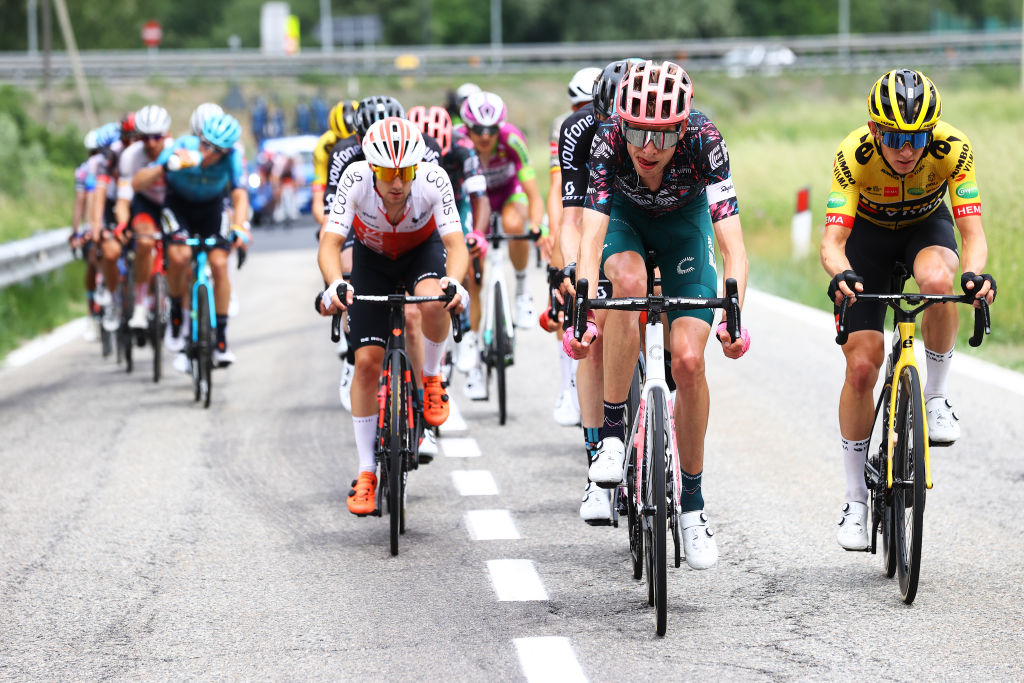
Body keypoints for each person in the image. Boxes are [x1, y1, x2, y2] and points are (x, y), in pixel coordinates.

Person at [567, 60, 750, 569]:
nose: (648, 148)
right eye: (637, 133)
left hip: (682, 230)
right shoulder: (606, 143)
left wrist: (735, 315)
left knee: (689, 361)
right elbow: (591, 236)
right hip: (625, 223)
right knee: (626, 284)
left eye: (663, 136)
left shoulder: (705, 140)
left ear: (682, 129)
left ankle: (692, 507)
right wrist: (582, 309)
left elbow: (733, 246)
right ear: (620, 123)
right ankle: (608, 435)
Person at [820, 68, 996, 551]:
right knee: (861, 366)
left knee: (939, 283)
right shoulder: (852, 154)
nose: (907, 150)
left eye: (917, 137)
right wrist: (841, 274)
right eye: (895, 137)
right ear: (876, 131)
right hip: (868, 240)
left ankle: (935, 400)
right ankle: (855, 500)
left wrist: (975, 276)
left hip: (925, 228)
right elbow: (833, 243)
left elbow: (972, 234)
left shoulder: (952, 148)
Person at [316, 117, 470, 515]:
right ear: (372, 168)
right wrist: (335, 284)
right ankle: (367, 471)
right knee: (366, 363)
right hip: (373, 258)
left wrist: (453, 281)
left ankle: (432, 377)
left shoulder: (434, 180)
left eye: (405, 172)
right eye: (387, 173)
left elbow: (455, 243)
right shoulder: (354, 179)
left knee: (435, 299)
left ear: (417, 167)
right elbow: (330, 243)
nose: (397, 183)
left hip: (421, 252)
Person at [556, 58, 640, 523]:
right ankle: (597, 464)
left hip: (655, 223)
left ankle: (655, 411)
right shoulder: (580, 131)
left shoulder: (661, 135)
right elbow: (572, 219)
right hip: (603, 224)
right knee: (596, 328)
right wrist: (572, 268)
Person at [133, 112, 250, 367]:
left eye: (216, 149)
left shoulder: (231, 158)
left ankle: (220, 339)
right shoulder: (181, 147)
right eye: (205, 144)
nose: (207, 152)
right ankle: (176, 312)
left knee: (219, 264)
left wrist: (241, 227)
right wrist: (165, 166)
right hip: (179, 206)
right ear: (199, 137)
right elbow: (137, 183)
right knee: (179, 256)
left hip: (211, 207)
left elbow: (239, 195)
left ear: (226, 150)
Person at [456, 91, 546, 331]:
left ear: (500, 128)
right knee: (473, 272)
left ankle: (522, 290)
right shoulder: (457, 140)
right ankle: (473, 341)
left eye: (492, 130)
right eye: (478, 129)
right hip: (476, 200)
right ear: (467, 127)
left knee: (515, 225)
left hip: (507, 192)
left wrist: (537, 225)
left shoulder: (512, 139)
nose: (485, 136)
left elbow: (534, 195)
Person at [114, 105, 173, 331]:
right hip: (145, 203)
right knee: (145, 242)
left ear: (166, 134)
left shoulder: (175, 150)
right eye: (145, 137)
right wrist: (122, 223)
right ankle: (140, 303)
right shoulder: (131, 156)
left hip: (170, 202)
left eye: (156, 137)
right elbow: (123, 199)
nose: (150, 143)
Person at [312, 101, 358, 228]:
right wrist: (328, 226)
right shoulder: (323, 146)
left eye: (354, 141)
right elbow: (318, 197)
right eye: (341, 142)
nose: (346, 148)